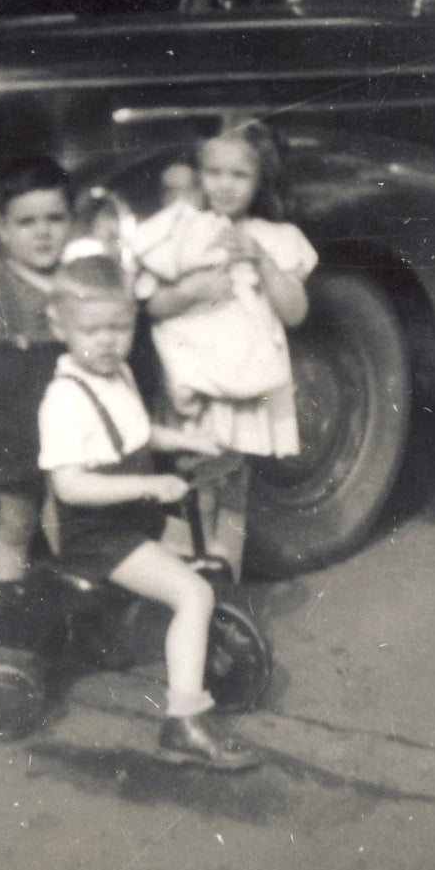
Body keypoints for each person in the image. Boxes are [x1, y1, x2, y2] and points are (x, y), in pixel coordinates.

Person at [37, 253, 261, 771]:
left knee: (211, 562)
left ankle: (189, 651)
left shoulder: (117, 376)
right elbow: (68, 487)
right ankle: (182, 720)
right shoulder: (64, 399)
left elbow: (139, 432)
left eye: (120, 326)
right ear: (60, 326)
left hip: (130, 521)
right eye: (92, 329)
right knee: (193, 592)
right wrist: (148, 482)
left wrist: (188, 439)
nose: (109, 340)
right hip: (96, 536)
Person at [135, 119, 317, 582]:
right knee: (191, 486)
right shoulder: (181, 229)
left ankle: (223, 582)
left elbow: (295, 312)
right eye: (215, 173)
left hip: (244, 384)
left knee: (234, 488)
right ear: (198, 173)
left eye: (240, 176)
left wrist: (261, 258)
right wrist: (193, 291)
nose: (226, 186)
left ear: (260, 180)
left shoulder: (275, 237)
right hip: (194, 382)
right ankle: (182, 583)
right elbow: (151, 305)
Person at [0, 157, 72, 613]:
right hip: (13, 427)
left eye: (54, 218)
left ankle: (70, 610)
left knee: (70, 518)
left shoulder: (78, 280)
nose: (42, 232)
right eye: (26, 222)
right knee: (15, 522)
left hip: (70, 428)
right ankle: (7, 612)